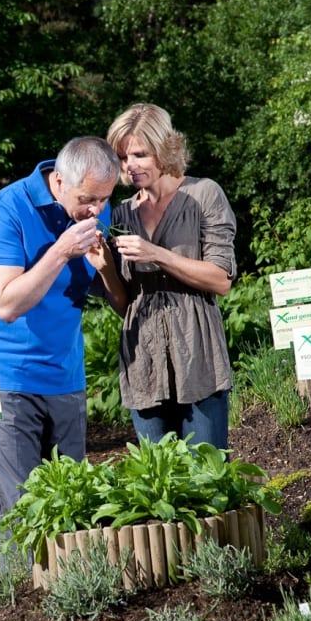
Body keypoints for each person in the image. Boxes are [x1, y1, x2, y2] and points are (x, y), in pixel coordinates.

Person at [0, 136, 122, 540]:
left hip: (65, 376)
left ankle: (71, 595)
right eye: (88, 198)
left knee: (71, 508)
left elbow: (113, 299)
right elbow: (6, 304)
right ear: (58, 181)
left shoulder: (95, 214)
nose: (96, 210)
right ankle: (16, 599)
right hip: (8, 377)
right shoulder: (8, 208)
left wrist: (107, 270)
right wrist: (60, 251)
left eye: (104, 199)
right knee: (15, 514)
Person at [102, 103, 237, 449]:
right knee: (160, 486)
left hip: (198, 359)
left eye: (140, 154)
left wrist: (157, 255)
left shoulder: (203, 194)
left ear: (165, 149)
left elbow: (221, 279)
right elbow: (124, 304)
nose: (130, 166)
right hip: (144, 365)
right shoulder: (121, 214)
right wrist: (104, 267)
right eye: (122, 157)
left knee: (209, 480)